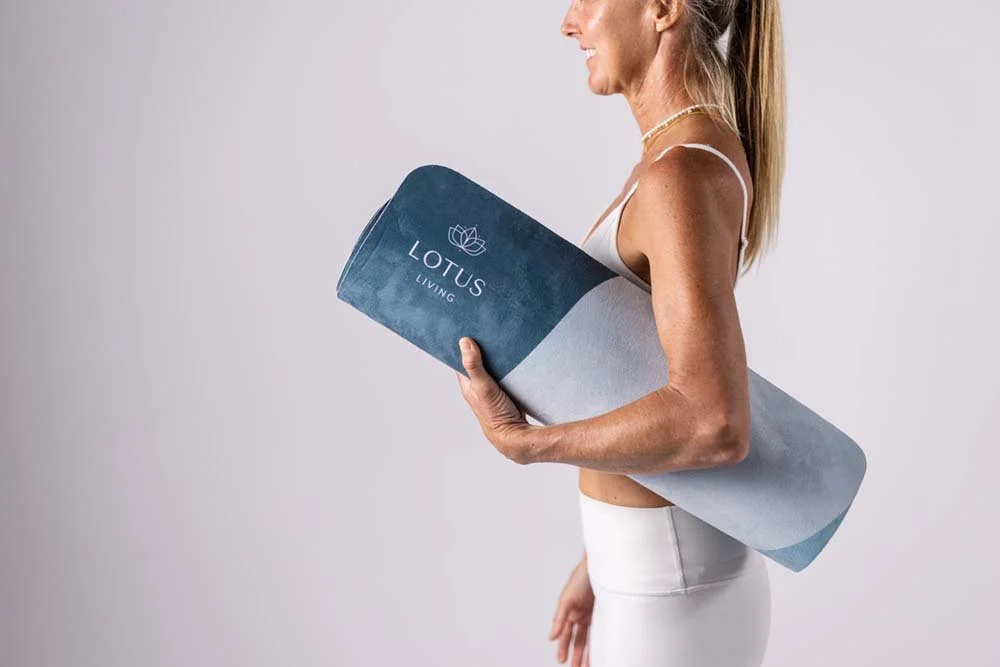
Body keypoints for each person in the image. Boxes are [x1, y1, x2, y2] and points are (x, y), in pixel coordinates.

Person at [456, 0, 786, 664]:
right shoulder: (671, 158)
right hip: (652, 571)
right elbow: (648, 375)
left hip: (671, 587)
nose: (569, 22)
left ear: (662, 9)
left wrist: (529, 444)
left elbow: (713, 418)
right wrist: (598, 558)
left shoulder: (680, 174)